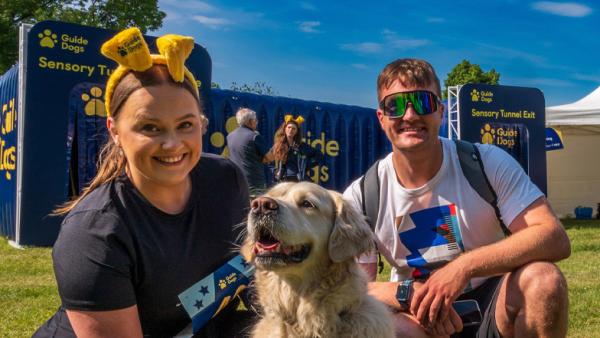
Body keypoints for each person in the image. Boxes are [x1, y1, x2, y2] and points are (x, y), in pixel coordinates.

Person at [33, 28, 252, 338]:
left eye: (186, 124)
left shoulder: (226, 179)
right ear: (115, 131)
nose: (172, 144)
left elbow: (244, 266)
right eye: (150, 127)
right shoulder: (94, 233)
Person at [343, 58, 570, 338]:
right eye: (395, 105)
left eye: (423, 102)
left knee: (544, 281)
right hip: (415, 316)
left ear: (440, 111)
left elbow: (553, 236)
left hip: (490, 304)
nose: (410, 115)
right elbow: (352, 289)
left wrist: (463, 267)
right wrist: (407, 295)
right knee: (390, 328)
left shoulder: (485, 162)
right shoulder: (362, 195)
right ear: (381, 118)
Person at [226, 107, 270, 197]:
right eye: (255, 120)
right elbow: (268, 158)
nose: (256, 122)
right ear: (250, 121)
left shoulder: (229, 136)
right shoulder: (254, 136)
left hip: (236, 181)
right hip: (254, 182)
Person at [270, 115, 322, 183]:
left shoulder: (302, 146)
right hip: (283, 181)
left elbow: (319, 155)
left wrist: (306, 165)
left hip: (299, 180)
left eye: (293, 128)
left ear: (297, 131)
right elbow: (268, 161)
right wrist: (276, 171)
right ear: (285, 129)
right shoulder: (277, 146)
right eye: (289, 127)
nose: (290, 130)